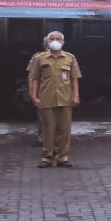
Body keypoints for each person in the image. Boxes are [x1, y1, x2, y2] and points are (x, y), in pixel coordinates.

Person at [29, 30, 81, 168]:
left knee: (64, 129)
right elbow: (34, 78)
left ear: (63, 42)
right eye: (52, 39)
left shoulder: (70, 58)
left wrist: (76, 95)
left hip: (65, 98)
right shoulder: (40, 58)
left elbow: (74, 78)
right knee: (48, 129)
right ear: (47, 41)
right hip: (46, 98)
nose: (55, 41)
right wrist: (34, 96)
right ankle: (47, 157)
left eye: (58, 38)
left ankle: (62, 157)